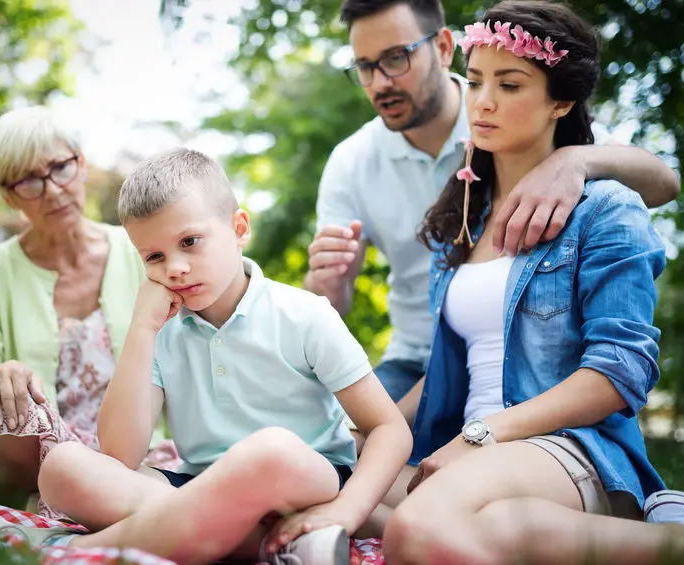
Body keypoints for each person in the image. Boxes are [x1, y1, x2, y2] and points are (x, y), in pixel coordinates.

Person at [376, 2, 684, 564]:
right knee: (323, 480)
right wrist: (365, 423)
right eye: (477, 80)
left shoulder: (605, 208)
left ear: (561, 100)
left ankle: (679, 539)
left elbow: (618, 374)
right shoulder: (460, 223)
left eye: (509, 85)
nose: (482, 101)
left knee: (417, 529)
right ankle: (670, 545)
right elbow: (447, 369)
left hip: (568, 451)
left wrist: (482, 434)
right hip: (465, 453)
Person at [34, 148, 413, 565]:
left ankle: (82, 550)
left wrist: (349, 508)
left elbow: (389, 429)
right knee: (61, 467)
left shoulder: (303, 314)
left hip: (303, 475)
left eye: (189, 242)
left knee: (268, 451)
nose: (175, 267)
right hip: (198, 484)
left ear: (238, 228)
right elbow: (121, 455)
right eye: (155, 257)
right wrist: (141, 330)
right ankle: (265, 541)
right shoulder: (161, 332)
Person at [306, 0, 681, 404]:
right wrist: (328, 283)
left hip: (529, 355)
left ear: (444, 47)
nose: (380, 82)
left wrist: (574, 160)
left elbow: (661, 183)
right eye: (365, 66)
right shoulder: (351, 162)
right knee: (339, 451)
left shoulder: (512, 118)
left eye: (397, 58)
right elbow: (324, 308)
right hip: (419, 359)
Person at [0, 106, 176, 517]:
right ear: (8, 196)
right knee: (4, 411)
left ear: (81, 165)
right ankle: (90, 497)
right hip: (36, 456)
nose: (52, 190)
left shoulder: (138, 251)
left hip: (130, 449)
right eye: (29, 180)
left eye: (59, 168)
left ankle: (85, 499)